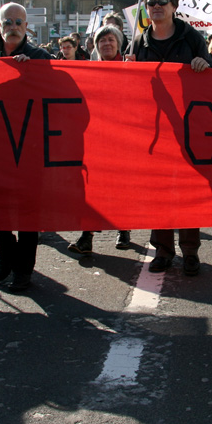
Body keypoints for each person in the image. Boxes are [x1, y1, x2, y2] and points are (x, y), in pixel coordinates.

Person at [125, 0, 212, 276]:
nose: (156, 7)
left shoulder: (192, 38)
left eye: (162, 1)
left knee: (188, 191)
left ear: (174, 6)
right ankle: (162, 250)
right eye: (151, 3)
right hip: (154, 130)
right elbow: (132, 88)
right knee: (157, 191)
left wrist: (204, 64)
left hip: (188, 127)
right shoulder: (139, 42)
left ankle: (190, 252)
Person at [0, 3, 53, 290]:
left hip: (29, 146)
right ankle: (6, 254)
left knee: (28, 211)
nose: (13, 26)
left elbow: (59, 92)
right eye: (7, 22)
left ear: (26, 25)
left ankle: (23, 270)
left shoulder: (40, 56)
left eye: (18, 21)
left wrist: (31, 73)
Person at [68, 24, 132, 254]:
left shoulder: (132, 67)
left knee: (122, 186)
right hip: (96, 137)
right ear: (96, 46)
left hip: (125, 138)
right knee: (92, 188)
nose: (107, 44)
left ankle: (124, 229)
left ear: (118, 43)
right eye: (102, 41)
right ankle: (87, 236)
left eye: (111, 40)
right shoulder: (89, 70)